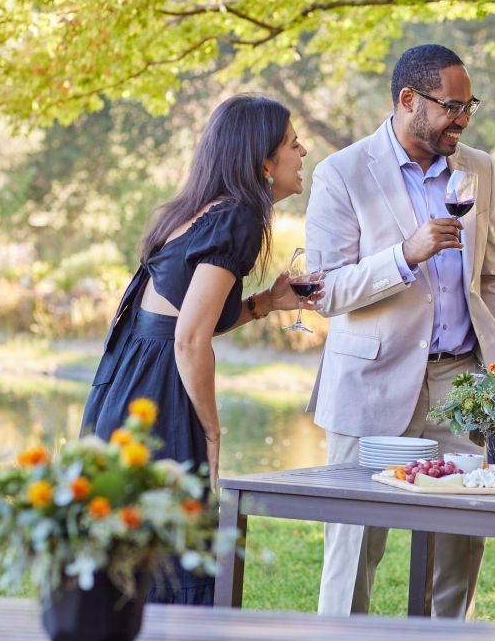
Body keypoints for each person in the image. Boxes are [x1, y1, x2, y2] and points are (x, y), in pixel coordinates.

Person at [81, 94, 322, 605]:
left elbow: (180, 317)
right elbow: (189, 338)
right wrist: (211, 429)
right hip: (159, 392)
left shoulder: (197, 211)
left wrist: (263, 304)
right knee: (178, 547)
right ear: (262, 160)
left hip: (129, 380)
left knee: (134, 540)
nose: (302, 151)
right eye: (291, 143)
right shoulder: (239, 218)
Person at [306, 44, 495, 619]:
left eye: (470, 105)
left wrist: (492, 351)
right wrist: (404, 255)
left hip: (461, 384)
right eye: (452, 106)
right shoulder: (341, 172)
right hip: (370, 380)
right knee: (355, 545)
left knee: (460, 540)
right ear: (408, 100)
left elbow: (491, 276)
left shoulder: (479, 168)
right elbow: (325, 291)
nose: (463, 118)